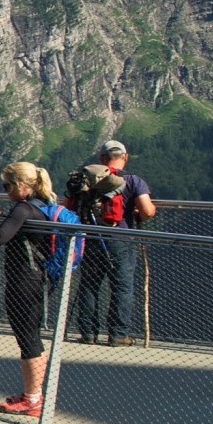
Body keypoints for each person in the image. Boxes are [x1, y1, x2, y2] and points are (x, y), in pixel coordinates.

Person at [0, 162, 71, 417]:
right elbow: (15, 230)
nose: (5, 190)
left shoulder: (23, 208)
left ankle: (32, 400)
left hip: (23, 282)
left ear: (22, 186)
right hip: (39, 279)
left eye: (7, 185)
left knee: (27, 338)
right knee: (32, 336)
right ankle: (34, 393)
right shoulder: (40, 207)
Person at [68, 139, 157, 346]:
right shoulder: (134, 181)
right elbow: (147, 211)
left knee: (89, 285)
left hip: (90, 237)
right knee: (121, 287)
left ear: (102, 159)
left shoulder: (88, 180)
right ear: (125, 157)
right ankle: (118, 335)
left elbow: (71, 206)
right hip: (120, 239)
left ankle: (88, 333)